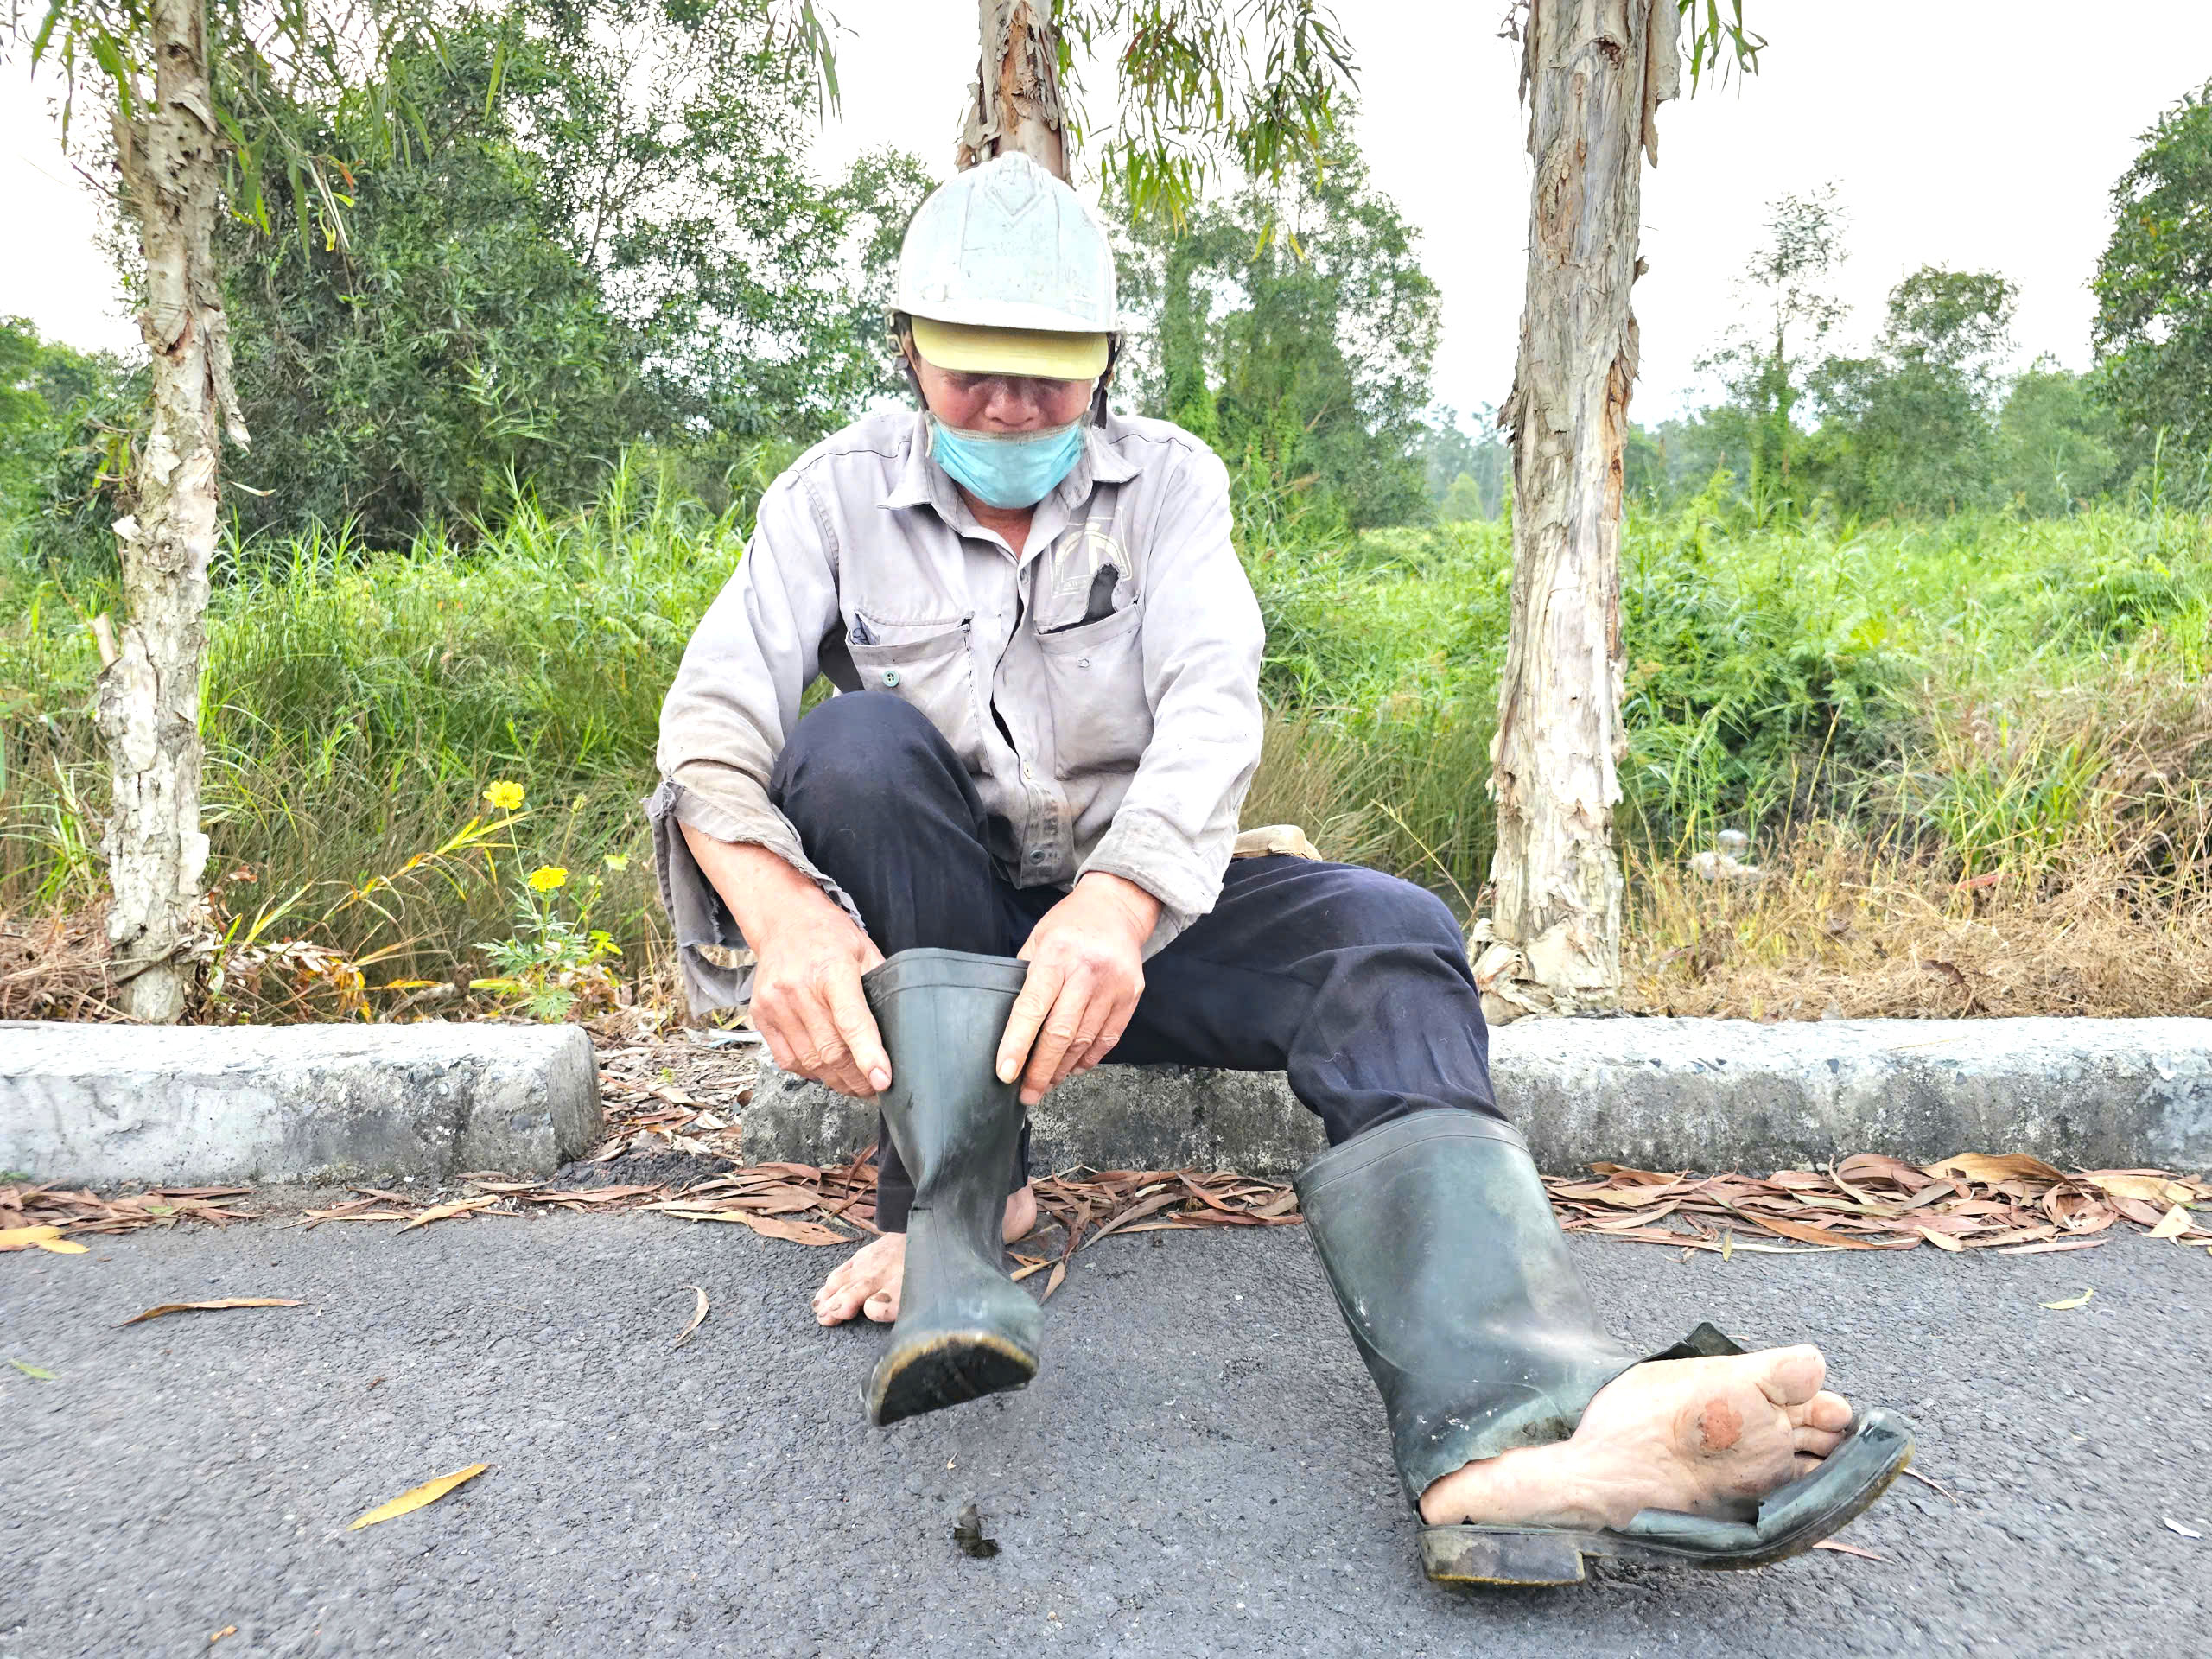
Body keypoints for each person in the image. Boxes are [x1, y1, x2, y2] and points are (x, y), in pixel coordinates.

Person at [649, 153, 1910, 1584]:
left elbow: (1211, 711)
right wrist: (784, 912)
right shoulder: (831, 498)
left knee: (1389, 936)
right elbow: (711, 731)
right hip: (936, 935)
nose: (1009, 410)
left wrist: (1117, 909)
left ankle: (1506, 1426)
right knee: (856, 750)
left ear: (1106, 364)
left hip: (1133, 915)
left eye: (1048, 379)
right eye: (971, 377)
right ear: (909, 352)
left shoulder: (1171, 486)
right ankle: (955, 1211)